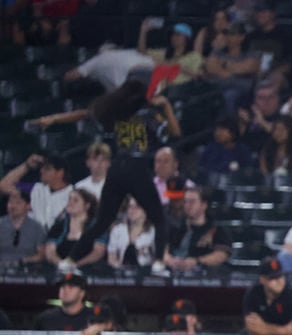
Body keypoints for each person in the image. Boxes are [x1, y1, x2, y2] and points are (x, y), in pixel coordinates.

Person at [28, 80, 181, 276]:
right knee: (159, 219)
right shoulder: (149, 115)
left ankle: (69, 260)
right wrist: (166, 105)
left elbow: (84, 114)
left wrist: (54, 119)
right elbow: (175, 132)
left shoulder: (112, 112)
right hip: (136, 167)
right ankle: (159, 263)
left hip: (117, 168)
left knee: (102, 221)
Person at [163, 186, 232, 272]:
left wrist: (197, 261)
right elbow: (162, 249)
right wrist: (170, 260)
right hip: (173, 273)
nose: (187, 205)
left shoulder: (216, 229)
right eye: (185, 202)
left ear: (204, 205)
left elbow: (221, 255)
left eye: (192, 202)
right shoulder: (174, 226)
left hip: (203, 275)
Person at [0, 153, 72, 231]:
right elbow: (3, 185)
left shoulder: (74, 193)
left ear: (60, 173)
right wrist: (27, 166)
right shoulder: (36, 188)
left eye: (47, 168)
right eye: (42, 168)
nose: (41, 171)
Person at [44, 188, 105, 271]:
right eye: (69, 199)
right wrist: (62, 264)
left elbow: (98, 252)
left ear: (87, 205)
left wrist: (76, 265)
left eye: (75, 200)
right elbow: (50, 252)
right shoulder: (58, 226)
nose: (70, 203)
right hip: (60, 271)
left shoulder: (96, 227)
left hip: (89, 271)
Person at [106, 196, 157, 269]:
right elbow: (111, 257)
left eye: (137, 207)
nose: (132, 210)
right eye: (130, 207)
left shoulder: (153, 231)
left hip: (146, 273)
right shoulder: (117, 230)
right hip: (122, 272)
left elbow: (158, 259)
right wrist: (118, 267)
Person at [0, 189, 47, 267]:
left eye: (18, 203)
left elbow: (41, 254)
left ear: (28, 206)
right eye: (10, 202)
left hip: (27, 271)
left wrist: (24, 261)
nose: (13, 206)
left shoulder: (37, 228)